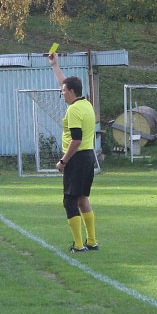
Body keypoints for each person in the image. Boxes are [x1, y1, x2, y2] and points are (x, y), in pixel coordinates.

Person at [48, 53, 98, 253]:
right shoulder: (86, 104)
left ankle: (78, 245)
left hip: (76, 159)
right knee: (82, 198)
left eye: (63, 91)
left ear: (71, 92)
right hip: (88, 157)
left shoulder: (74, 111)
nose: (61, 93)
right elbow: (65, 83)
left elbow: (75, 140)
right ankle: (92, 241)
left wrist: (63, 161)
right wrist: (55, 65)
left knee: (69, 201)